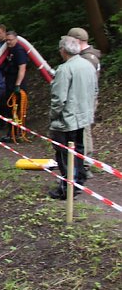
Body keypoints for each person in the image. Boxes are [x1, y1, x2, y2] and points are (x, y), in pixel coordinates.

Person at [47, 36, 98, 200]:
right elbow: (95, 90)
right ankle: (78, 181)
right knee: (78, 151)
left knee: (64, 155)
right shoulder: (88, 66)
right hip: (83, 116)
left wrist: (53, 116)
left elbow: (58, 98)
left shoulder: (65, 69)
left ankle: (68, 187)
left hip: (67, 120)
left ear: (63, 50)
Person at [68, 27, 101, 178]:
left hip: (85, 99)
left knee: (84, 129)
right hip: (84, 98)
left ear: (78, 41)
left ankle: (85, 163)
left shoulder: (89, 58)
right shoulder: (87, 56)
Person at [0, 30, 29, 142]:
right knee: (10, 109)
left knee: (17, 110)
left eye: (10, 40)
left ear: (16, 39)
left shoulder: (19, 51)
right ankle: (11, 132)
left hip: (17, 85)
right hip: (9, 83)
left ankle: (16, 133)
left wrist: (17, 85)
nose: (8, 42)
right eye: (7, 40)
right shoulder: (9, 51)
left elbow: (22, 68)